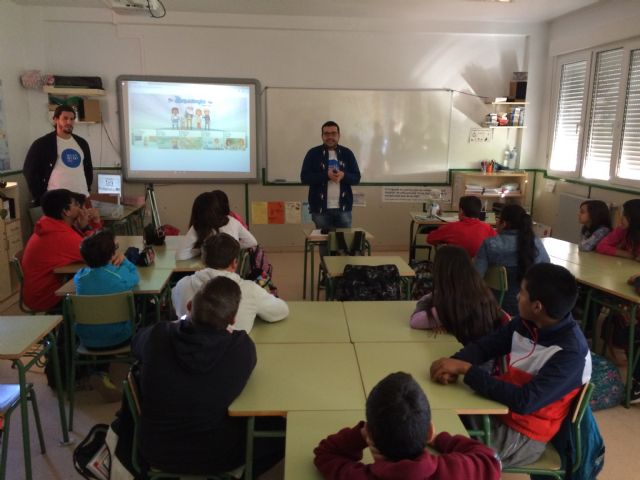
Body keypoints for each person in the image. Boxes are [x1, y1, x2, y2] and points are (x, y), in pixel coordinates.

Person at [430, 263, 592, 468]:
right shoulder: (525, 323)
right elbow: (485, 347)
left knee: (454, 465)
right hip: (498, 407)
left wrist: (466, 370)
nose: (516, 296)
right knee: (433, 418)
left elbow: (525, 402)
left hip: (525, 432)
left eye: (522, 293)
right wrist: (454, 363)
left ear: (537, 306)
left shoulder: (571, 354)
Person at [133, 276, 283, 476]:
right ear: (232, 320)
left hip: (154, 451)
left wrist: (176, 324)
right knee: (281, 432)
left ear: (188, 306)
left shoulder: (157, 336)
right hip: (216, 456)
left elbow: (135, 344)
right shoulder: (241, 348)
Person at [313, 371, 501, 479]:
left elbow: (325, 454)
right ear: (429, 431)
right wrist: (440, 439)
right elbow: (491, 459)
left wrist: (361, 434)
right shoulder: (456, 470)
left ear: (370, 434)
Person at [172, 232, 288, 331]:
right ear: (234, 263)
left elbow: (176, 306)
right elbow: (282, 311)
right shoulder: (250, 289)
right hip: (234, 352)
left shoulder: (182, 285)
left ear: (203, 261)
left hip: (189, 351)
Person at [410, 245, 507, 346]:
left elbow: (415, 321)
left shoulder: (449, 305)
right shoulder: (480, 293)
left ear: (441, 273)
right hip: (486, 355)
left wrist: (434, 299)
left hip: (470, 359)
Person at [21, 189, 95, 312]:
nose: (81, 209)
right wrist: (89, 226)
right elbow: (99, 254)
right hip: (48, 297)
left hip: (38, 293)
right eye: (76, 205)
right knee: (99, 287)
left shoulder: (48, 224)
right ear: (66, 212)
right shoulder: (61, 235)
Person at [474, 204, 550, 316]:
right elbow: (546, 270)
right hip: (530, 308)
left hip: (496, 306)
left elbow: (476, 277)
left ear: (504, 223)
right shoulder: (535, 243)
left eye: (498, 219)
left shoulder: (489, 244)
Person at [73, 229, 139, 348]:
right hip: (120, 338)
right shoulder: (120, 276)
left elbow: (82, 274)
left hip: (87, 341)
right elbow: (135, 275)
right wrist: (124, 261)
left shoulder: (80, 278)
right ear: (112, 253)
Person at [23, 105, 93, 205]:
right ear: (55, 119)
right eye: (65, 118)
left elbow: (88, 169)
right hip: (56, 201)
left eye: (72, 119)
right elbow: (29, 171)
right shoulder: (42, 144)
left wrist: (88, 189)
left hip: (82, 197)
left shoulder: (82, 143)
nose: (69, 122)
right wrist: (41, 196)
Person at [300, 121, 361, 230]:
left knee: (344, 243)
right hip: (320, 210)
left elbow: (356, 178)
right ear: (322, 136)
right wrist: (326, 175)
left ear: (339, 135)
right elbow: (304, 178)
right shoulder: (313, 153)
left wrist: (344, 175)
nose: (330, 137)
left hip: (344, 209)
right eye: (326, 134)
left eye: (333, 133)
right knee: (325, 244)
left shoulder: (347, 153)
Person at [175, 191, 257, 260]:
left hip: (209, 272)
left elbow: (180, 255)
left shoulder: (199, 226)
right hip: (233, 269)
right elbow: (252, 242)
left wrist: (200, 250)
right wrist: (231, 249)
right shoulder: (232, 220)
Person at [426, 196, 496, 257]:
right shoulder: (488, 228)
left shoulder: (451, 227)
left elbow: (430, 239)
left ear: (461, 211)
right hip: (479, 269)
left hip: (455, 269)